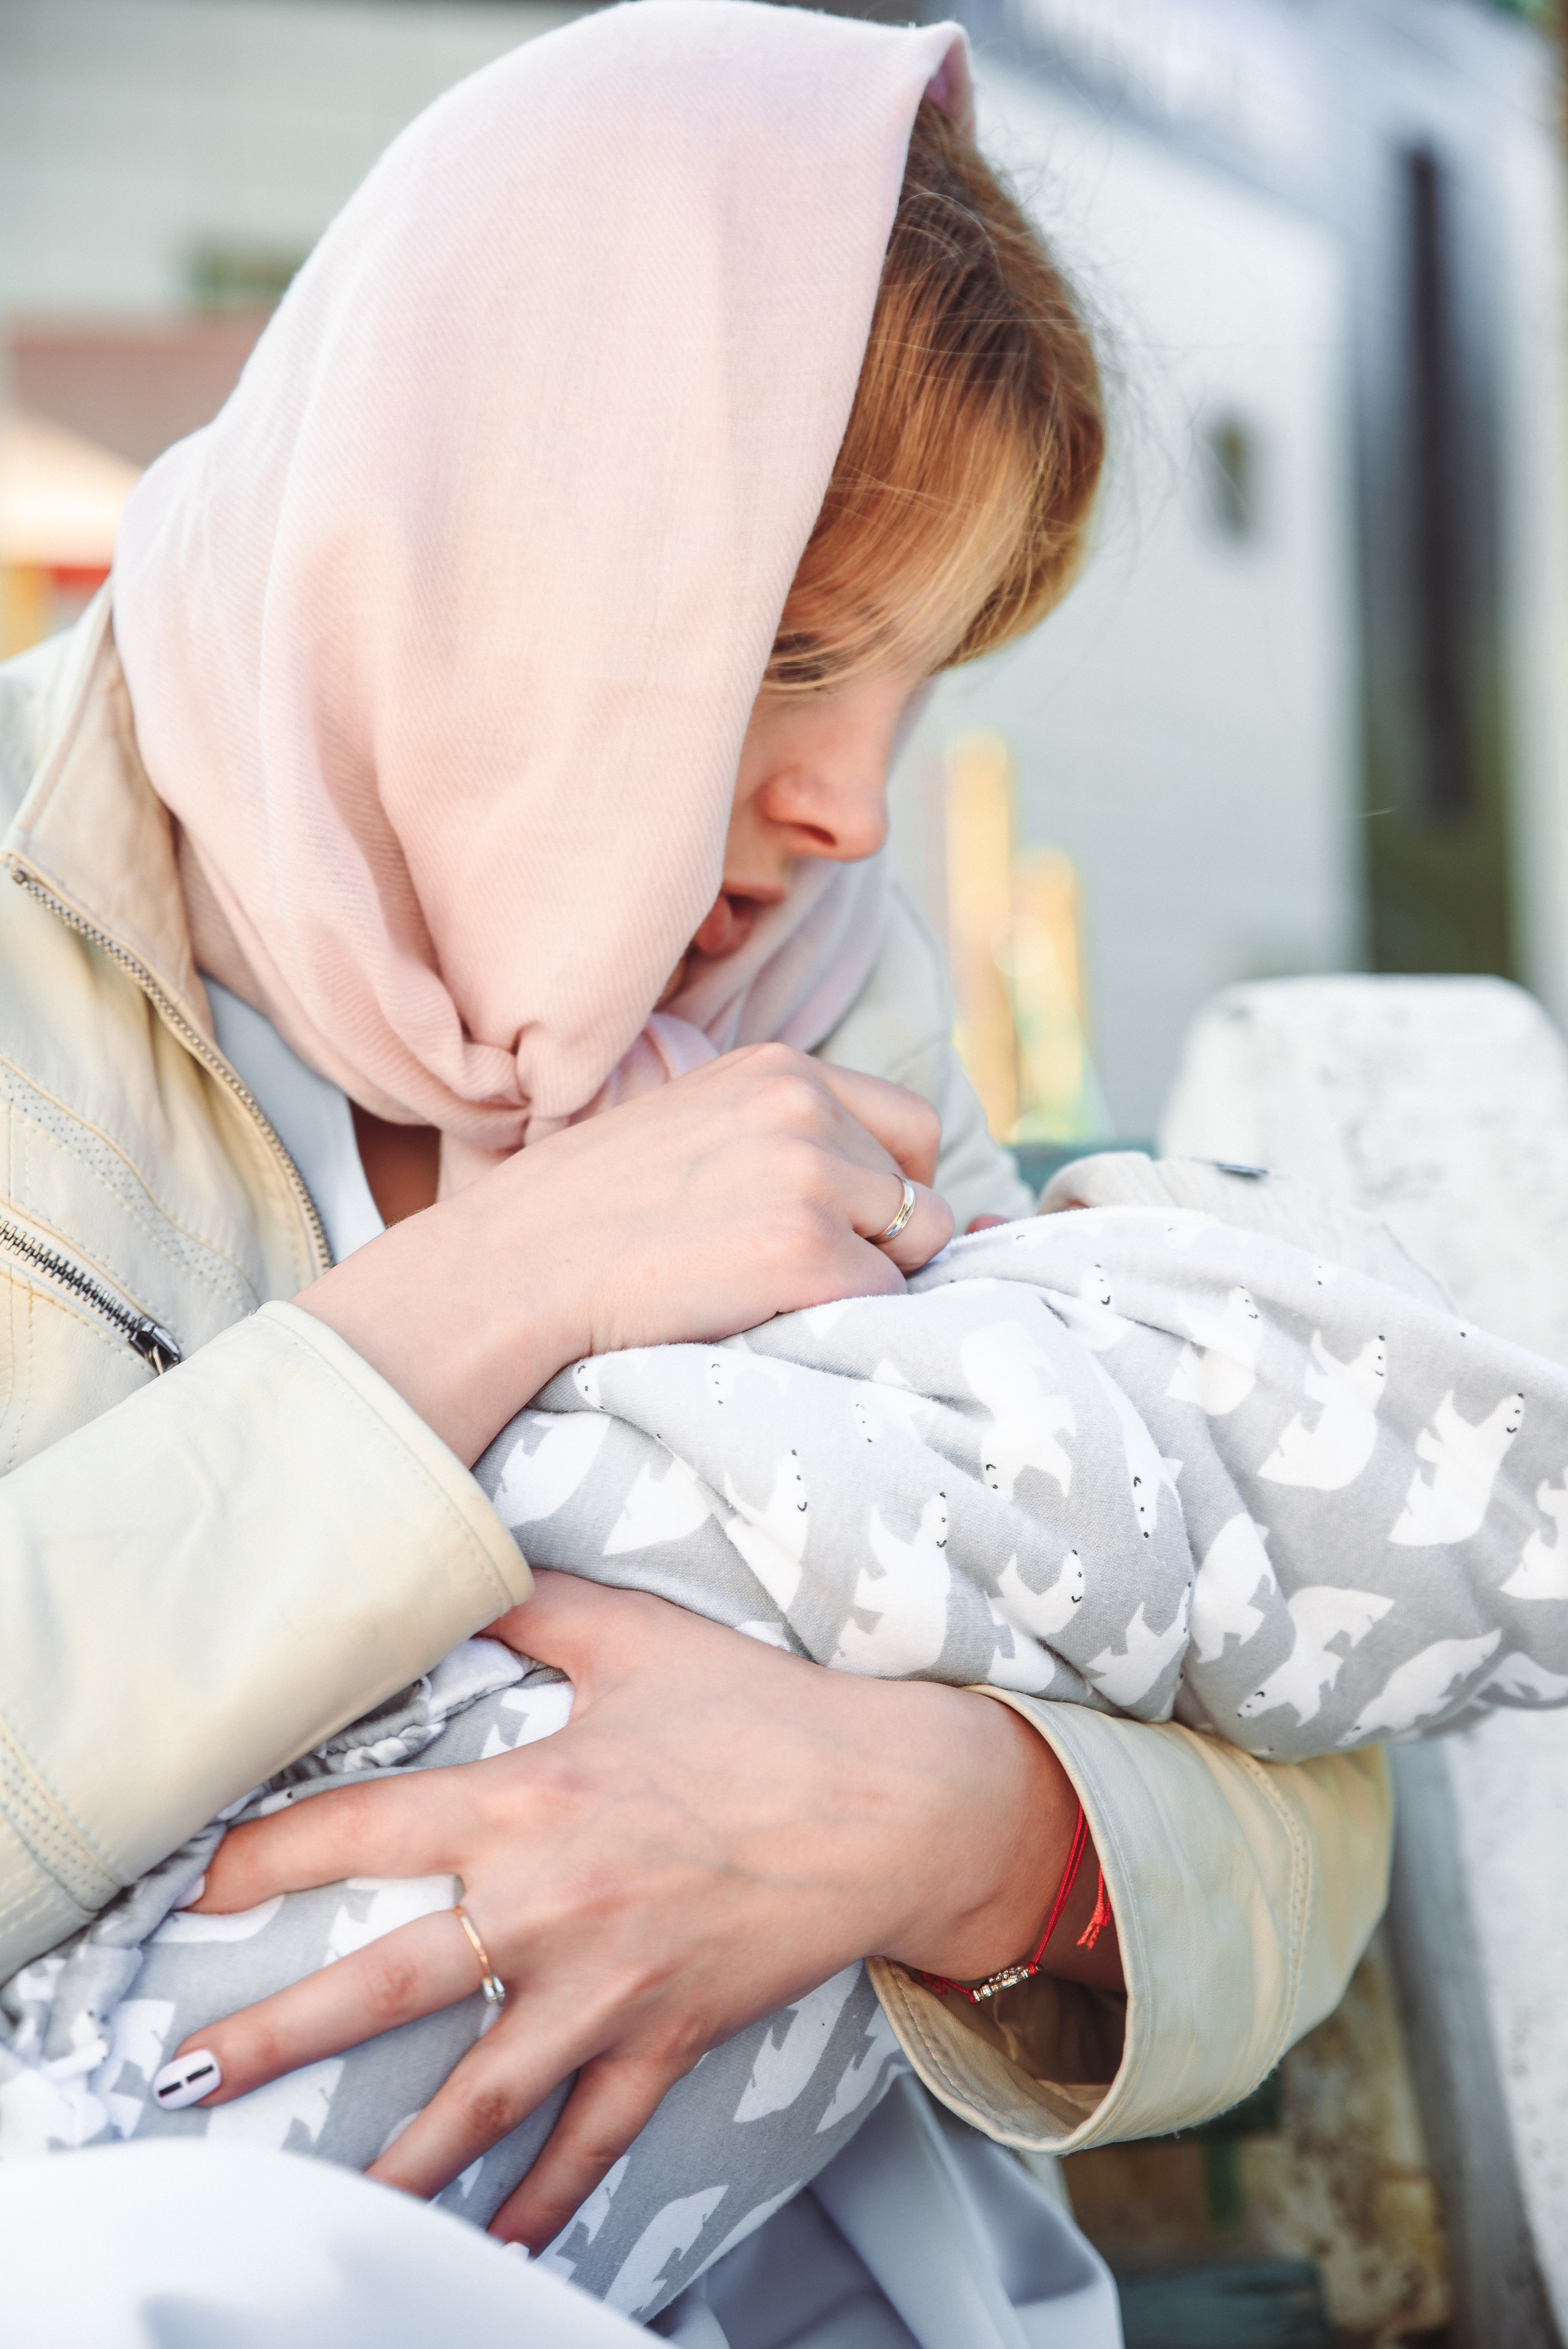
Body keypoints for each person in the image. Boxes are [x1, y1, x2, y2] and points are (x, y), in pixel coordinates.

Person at [0, 4, 1389, 2332]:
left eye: (919, 684)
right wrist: (491, 1287)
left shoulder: (816, 989)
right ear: (486, 534)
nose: (851, 809)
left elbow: (1280, 1710)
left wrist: (946, 1822)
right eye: (788, 650)